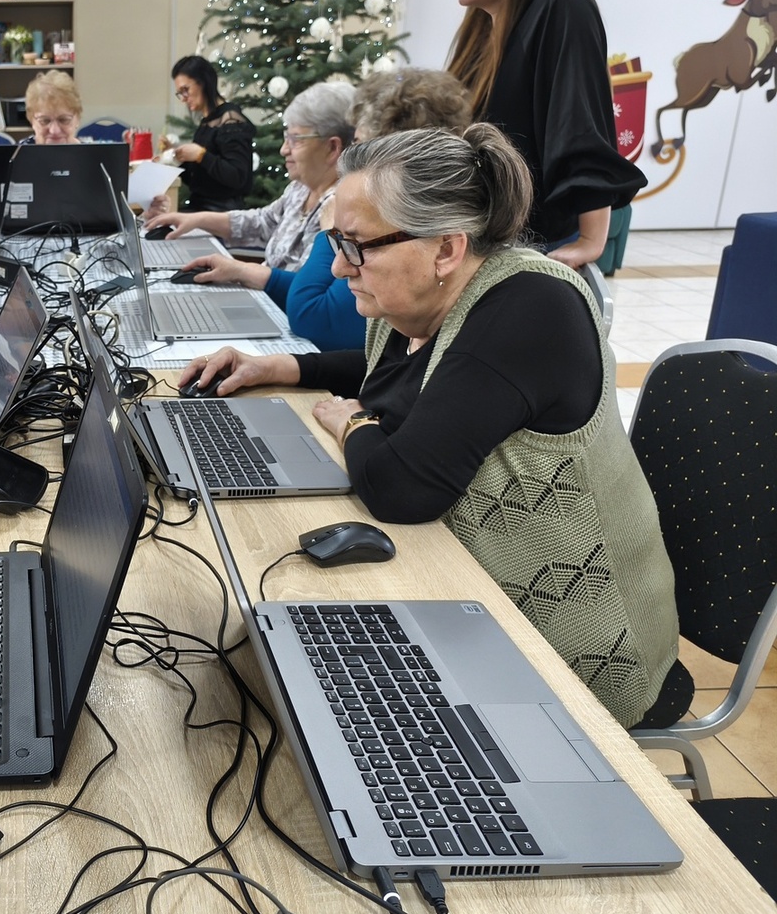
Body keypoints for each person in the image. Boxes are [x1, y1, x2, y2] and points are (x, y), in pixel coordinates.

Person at [182, 126, 683, 729]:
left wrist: (353, 422)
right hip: (467, 594)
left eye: (356, 246)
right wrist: (278, 366)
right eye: (338, 242)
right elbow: (401, 372)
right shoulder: (421, 298)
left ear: (446, 249)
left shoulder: (530, 309)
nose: (339, 267)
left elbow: (401, 488)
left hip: (579, 652)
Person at [445, 0, 644, 268]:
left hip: (529, 244)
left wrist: (591, 239)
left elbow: (580, 123)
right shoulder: (484, 25)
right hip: (482, 238)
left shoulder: (563, 4)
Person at [267, 69, 473, 350]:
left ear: (392, 152)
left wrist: (331, 232)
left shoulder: (391, 228)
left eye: (359, 144)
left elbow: (313, 315)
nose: (349, 154)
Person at [143, 80, 354, 281]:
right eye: (286, 137)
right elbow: (261, 223)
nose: (283, 150)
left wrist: (240, 271)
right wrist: (195, 220)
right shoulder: (299, 189)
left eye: (295, 140)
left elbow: (308, 288)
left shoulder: (339, 208)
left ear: (332, 147)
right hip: (266, 296)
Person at [0, 69, 84, 216]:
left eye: (64, 120)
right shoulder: (16, 154)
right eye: (45, 121)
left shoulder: (93, 159)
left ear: (77, 119)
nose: (54, 130)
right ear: (31, 120)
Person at [161, 54, 254, 214]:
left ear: (204, 82)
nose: (183, 99)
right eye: (180, 93)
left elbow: (238, 176)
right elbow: (199, 180)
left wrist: (201, 155)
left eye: (186, 90)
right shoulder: (208, 121)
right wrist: (176, 156)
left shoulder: (230, 120)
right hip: (201, 207)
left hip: (221, 213)